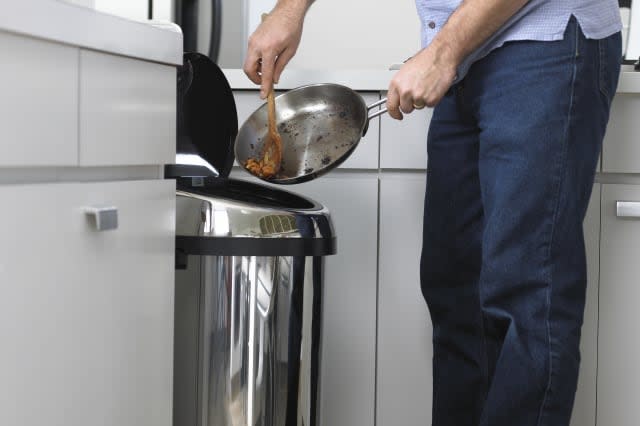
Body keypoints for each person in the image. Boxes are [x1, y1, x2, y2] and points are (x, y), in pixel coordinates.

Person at [242, 1, 622, 425]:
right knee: (456, 291)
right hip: (465, 55)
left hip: (541, 46)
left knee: (525, 294)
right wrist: (288, 12)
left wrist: (442, 53)